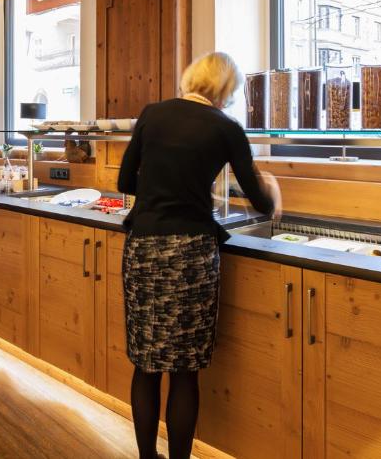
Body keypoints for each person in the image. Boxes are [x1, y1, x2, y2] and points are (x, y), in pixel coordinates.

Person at [117, 52, 282, 459]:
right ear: (225, 90)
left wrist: (164, 185)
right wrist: (274, 194)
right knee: (184, 370)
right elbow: (259, 201)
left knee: (146, 364)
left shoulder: (152, 114)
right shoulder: (226, 128)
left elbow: (125, 181)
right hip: (191, 254)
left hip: (144, 247)